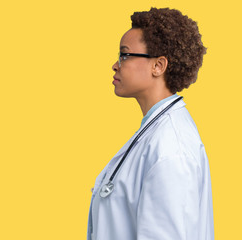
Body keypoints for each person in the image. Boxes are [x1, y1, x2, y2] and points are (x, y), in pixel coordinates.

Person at [87, 7, 214, 240]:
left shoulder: (170, 147)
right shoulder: (156, 132)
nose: (115, 65)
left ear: (158, 66)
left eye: (124, 55)